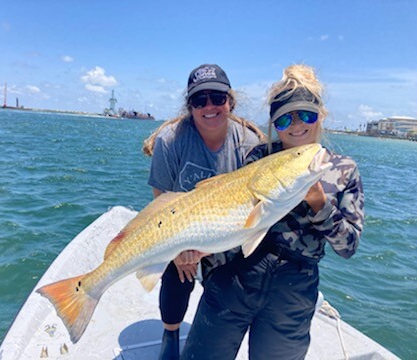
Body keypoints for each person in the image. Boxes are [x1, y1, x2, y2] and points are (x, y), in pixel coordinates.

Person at [180, 64, 365, 360]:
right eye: (284, 119)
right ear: (273, 123)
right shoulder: (258, 157)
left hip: (293, 293)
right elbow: (231, 217)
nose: (296, 126)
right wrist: (199, 251)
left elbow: (348, 247)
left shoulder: (343, 170)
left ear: (321, 116)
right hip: (235, 277)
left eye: (306, 115)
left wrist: (320, 204)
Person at [142, 64, 266, 360]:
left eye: (217, 98)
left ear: (230, 102)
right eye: (200, 100)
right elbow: (160, 201)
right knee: (176, 275)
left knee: (234, 276)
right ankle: (170, 334)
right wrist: (179, 249)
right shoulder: (170, 140)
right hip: (179, 226)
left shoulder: (250, 144)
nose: (209, 106)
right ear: (190, 106)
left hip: (229, 229)